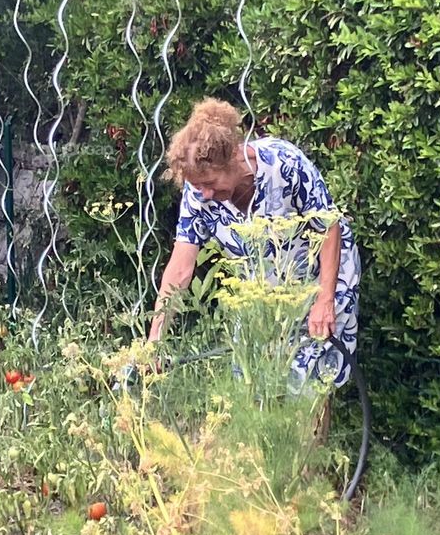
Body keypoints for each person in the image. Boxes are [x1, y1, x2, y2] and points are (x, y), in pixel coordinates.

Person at [148, 98, 361, 395]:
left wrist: (324, 300)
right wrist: (155, 340)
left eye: (210, 182)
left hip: (321, 280)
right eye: (197, 186)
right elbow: (180, 268)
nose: (205, 193)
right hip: (263, 296)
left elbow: (328, 227)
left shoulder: (284, 164)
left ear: (233, 157)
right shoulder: (198, 196)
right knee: (251, 382)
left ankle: (311, 441)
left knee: (307, 388)